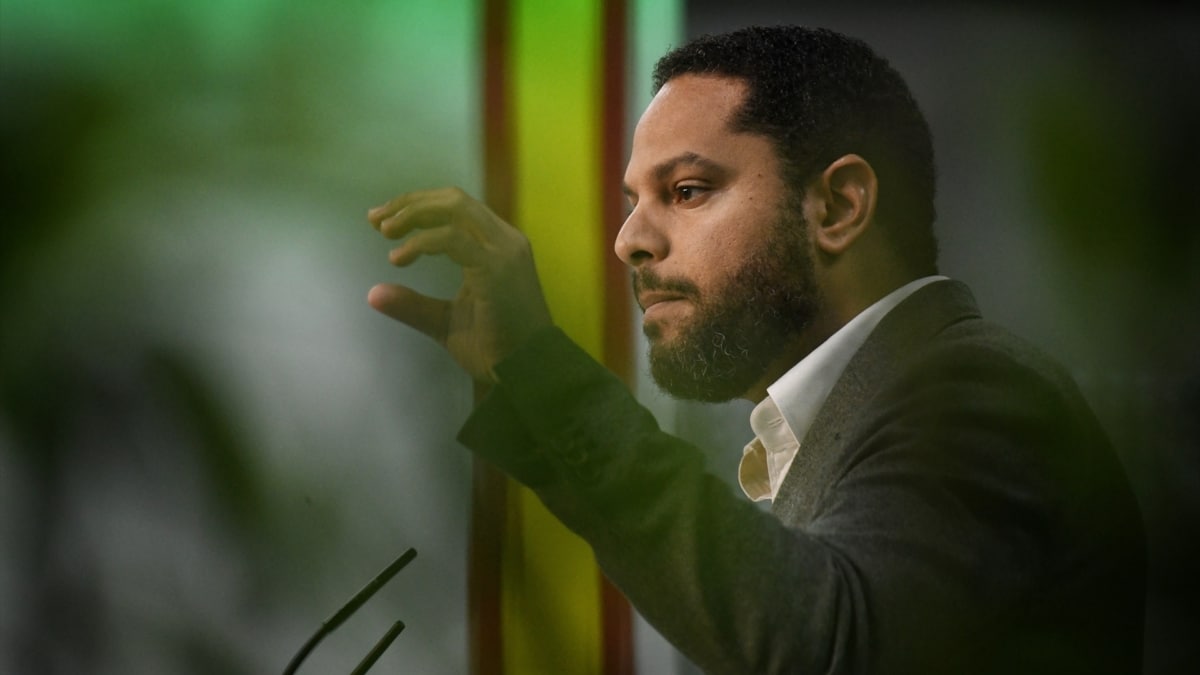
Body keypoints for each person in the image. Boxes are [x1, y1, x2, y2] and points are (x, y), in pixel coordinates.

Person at [366, 26, 1144, 675]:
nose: (629, 240)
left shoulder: (973, 389)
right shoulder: (871, 408)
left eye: (688, 191)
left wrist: (544, 367)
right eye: (632, 202)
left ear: (837, 206)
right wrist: (523, 380)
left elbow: (826, 642)